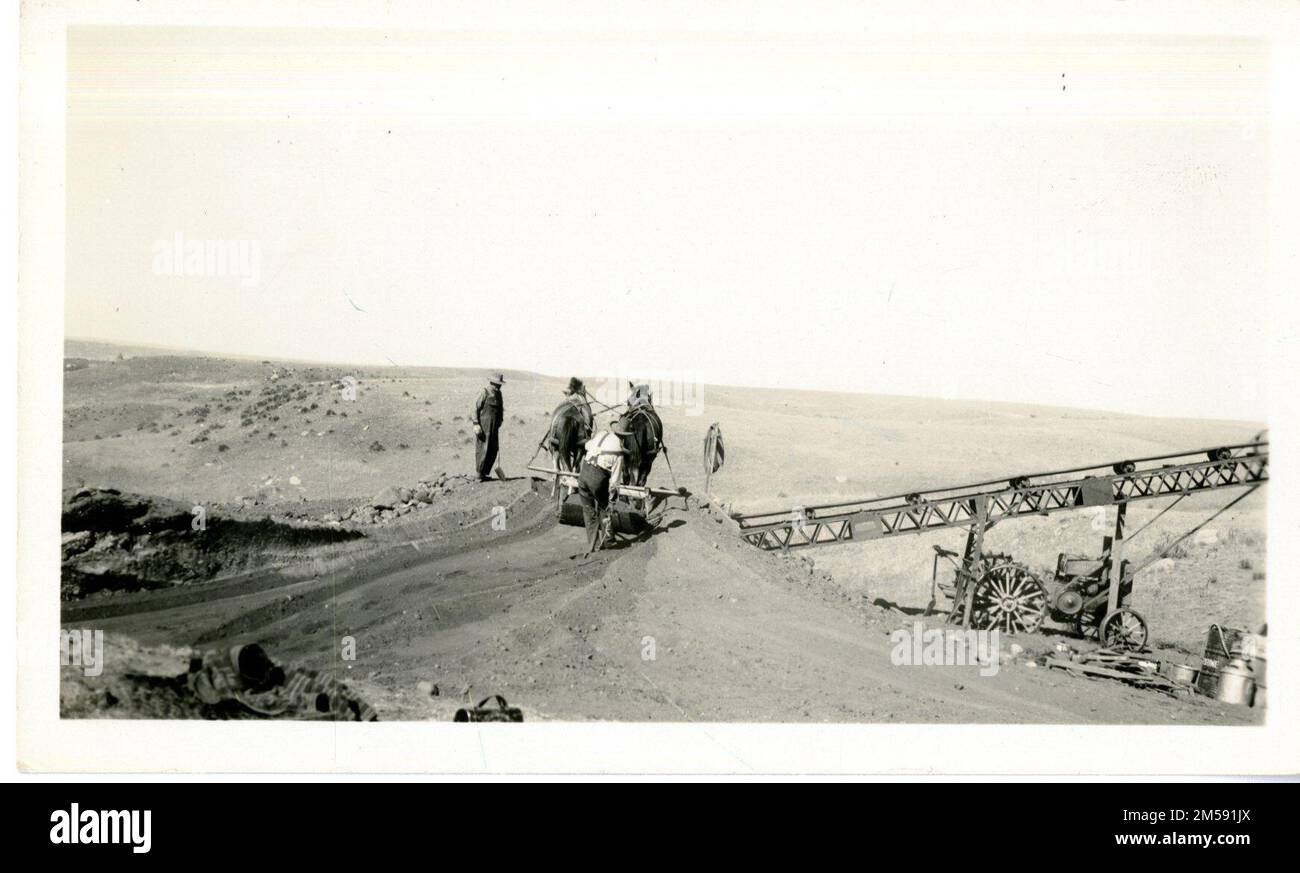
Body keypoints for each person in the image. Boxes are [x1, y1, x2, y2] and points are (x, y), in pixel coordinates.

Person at [575, 418, 631, 553]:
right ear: (625, 437)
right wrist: (612, 499)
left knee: (588, 511)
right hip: (597, 479)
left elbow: (587, 445)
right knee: (604, 508)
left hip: (583, 475)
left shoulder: (601, 434)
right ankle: (608, 541)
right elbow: (615, 481)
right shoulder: (619, 452)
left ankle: (592, 546)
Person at [473, 372, 505, 481]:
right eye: (498, 384)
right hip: (484, 426)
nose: (499, 386)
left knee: (493, 449)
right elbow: (475, 408)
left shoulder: (498, 394)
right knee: (483, 449)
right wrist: (476, 424)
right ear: (493, 383)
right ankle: (479, 474)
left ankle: (485, 473)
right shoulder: (485, 392)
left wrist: (500, 420)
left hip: (494, 427)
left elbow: (501, 409)